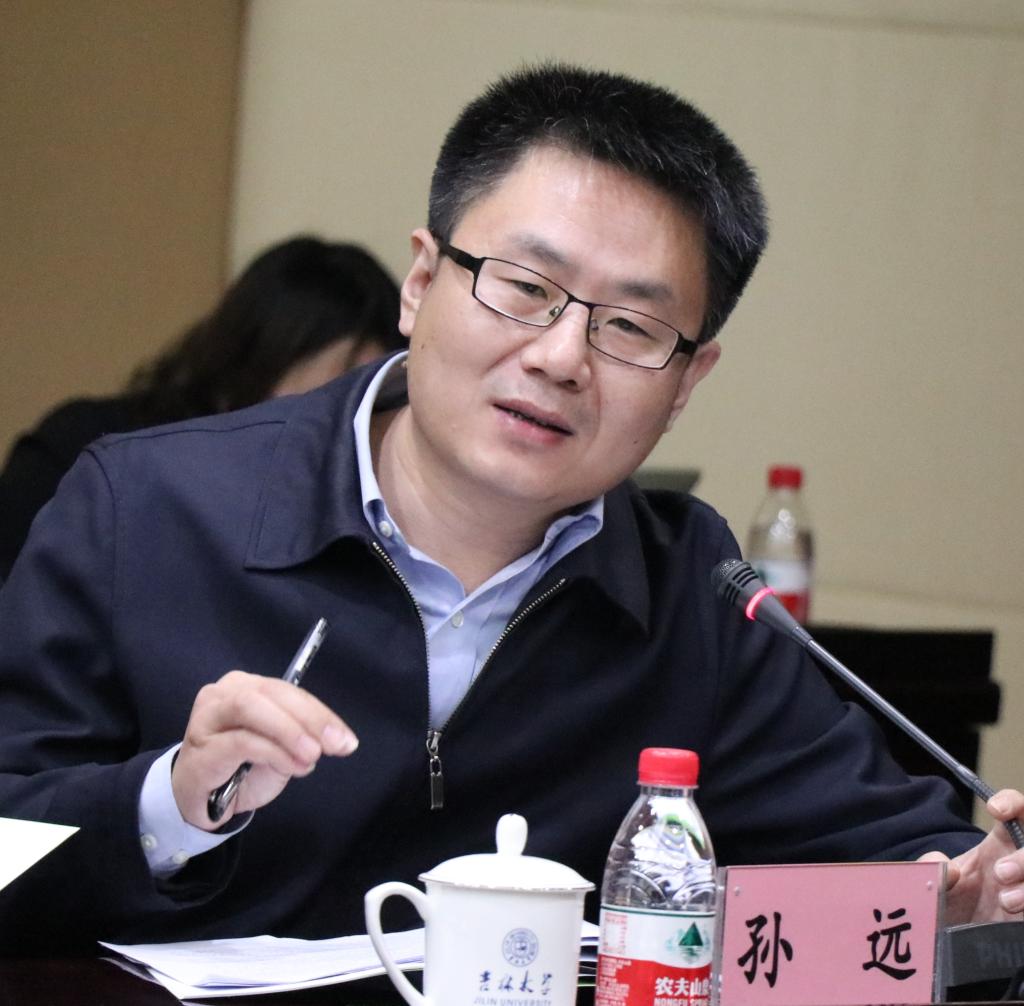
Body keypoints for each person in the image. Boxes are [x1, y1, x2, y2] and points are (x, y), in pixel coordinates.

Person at [0, 64, 1022, 958]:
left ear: (688, 380)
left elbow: (889, 854)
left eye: (631, 327)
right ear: (419, 282)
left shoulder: (695, 590)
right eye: (525, 288)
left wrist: (970, 895)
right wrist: (176, 800)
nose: (561, 357)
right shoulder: (143, 507)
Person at [0, 235, 403, 580]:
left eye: (370, 406)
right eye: (324, 397)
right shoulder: (92, 453)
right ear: (246, 366)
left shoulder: (352, 513)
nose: (344, 428)